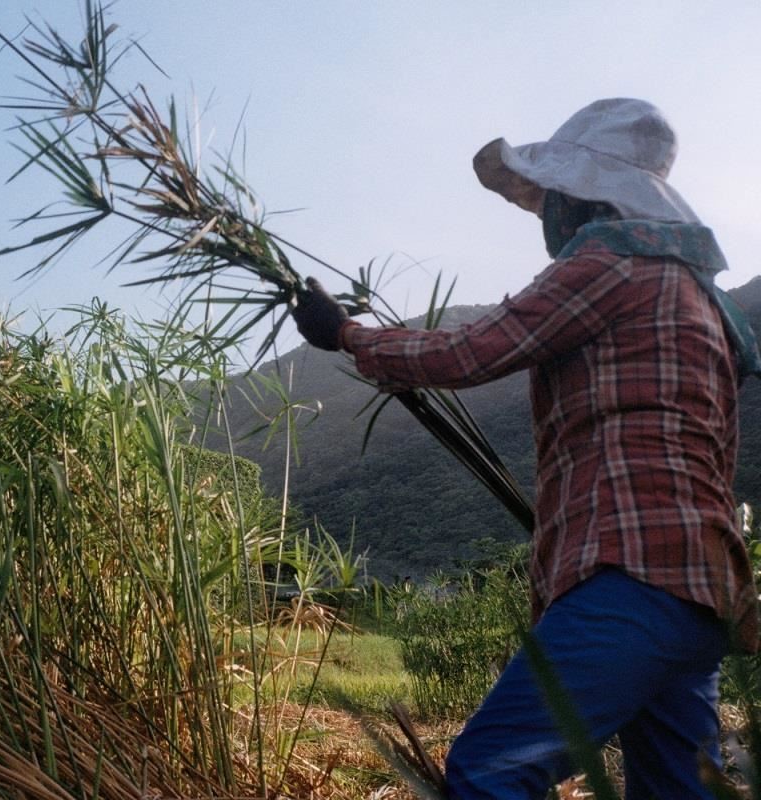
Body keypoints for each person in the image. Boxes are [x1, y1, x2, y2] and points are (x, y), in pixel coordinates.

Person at [290, 98, 761, 798]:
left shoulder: (612, 261)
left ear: (585, 196)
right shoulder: (706, 305)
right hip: (702, 591)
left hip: (630, 575)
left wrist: (348, 334)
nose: (548, 214)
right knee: (678, 790)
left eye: (554, 197)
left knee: (491, 770)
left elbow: (471, 349)